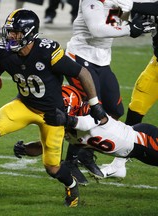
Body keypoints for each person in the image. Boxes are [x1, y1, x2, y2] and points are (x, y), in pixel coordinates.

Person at [0, 8, 107, 208]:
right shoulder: (4, 51)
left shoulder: (47, 51)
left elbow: (82, 73)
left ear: (30, 33)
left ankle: (71, 183)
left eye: (16, 33)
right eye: (9, 32)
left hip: (53, 114)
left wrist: (95, 104)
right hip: (24, 104)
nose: (11, 36)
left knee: (53, 168)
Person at [62, 0, 155, 183]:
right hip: (80, 58)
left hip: (102, 60)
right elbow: (97, 29)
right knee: (91, 111)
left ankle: (84, 154)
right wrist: (130, 29)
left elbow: (116, 20)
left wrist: (134, 25)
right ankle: (70, 162)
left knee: (114, 111)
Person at [16, 85, 158, 171]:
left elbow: (88, 123)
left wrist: (67, 119)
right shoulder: (66, 125)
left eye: (58, 108)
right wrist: (26, 149)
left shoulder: (92, 113)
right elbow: (47, 146)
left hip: (144, 139)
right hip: (136, 152)